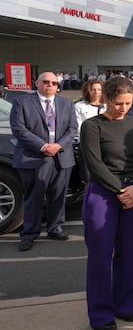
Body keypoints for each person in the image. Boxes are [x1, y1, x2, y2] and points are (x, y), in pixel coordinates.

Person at [80, 76, 133, 330]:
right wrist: (121, 190)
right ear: (107, 99)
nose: (123, 109)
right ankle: (100, 313)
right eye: (118, 103)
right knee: (100, 255)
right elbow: (95, 164)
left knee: (128, 252)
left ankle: (126, 305)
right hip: (103, 195)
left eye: (128, 103)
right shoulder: (92, 125)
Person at [11, 72, 78, 251]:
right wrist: (43, 146)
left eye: (54, 83)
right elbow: (19, 129)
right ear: (37, 83)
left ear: (58, 86)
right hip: (34, 157)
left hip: (61, 156)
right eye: (46, 82)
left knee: (58, 195)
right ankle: (29, 234)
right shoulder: (22, 102)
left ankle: (55, 228)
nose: (50, 85)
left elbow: (72, 129)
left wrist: (58, 146)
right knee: (34, 197)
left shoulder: (66, 103)